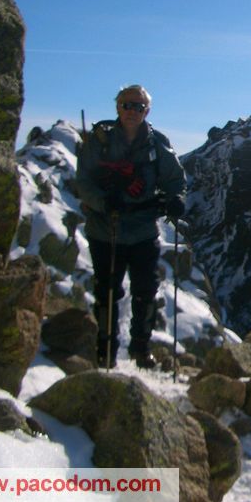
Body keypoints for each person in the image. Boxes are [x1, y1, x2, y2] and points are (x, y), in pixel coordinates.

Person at [76, 85, 186, 369]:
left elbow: (175, 179)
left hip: (143, 230)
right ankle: (106, 351)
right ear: (118, 107)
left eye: (139, 107)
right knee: (107, 292)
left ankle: (141, 349)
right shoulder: (99, 141)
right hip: (105, 229)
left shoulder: (157, 144)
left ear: (146, 111)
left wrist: (176, 199)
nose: (132, 111)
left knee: (145, 291)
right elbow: (83, 182)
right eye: (127, 105)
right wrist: (103, 203)